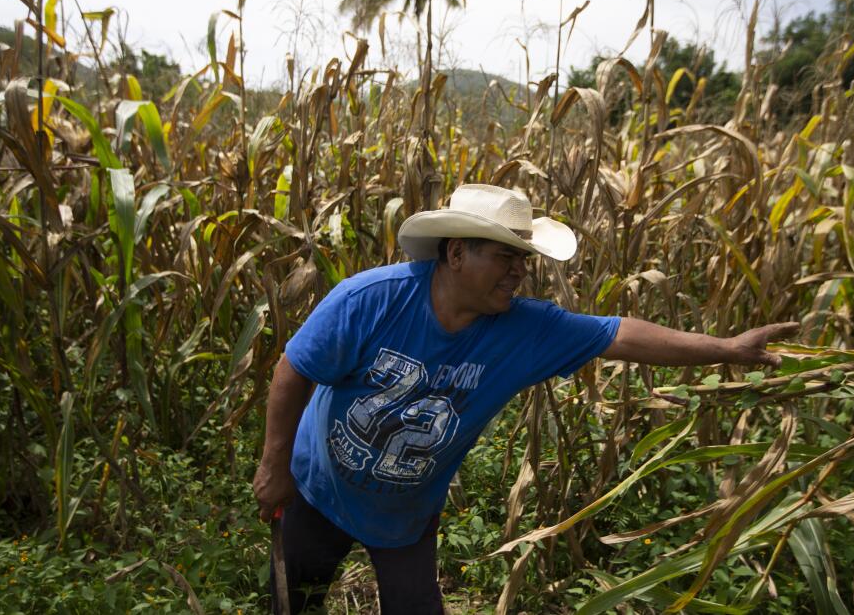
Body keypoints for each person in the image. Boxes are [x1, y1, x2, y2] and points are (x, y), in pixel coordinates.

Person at [252, 184, 797, 614]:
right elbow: (295, 370)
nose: (520, 271)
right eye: (506, 256)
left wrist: (726, 348)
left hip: (404, 516)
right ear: (458, 252)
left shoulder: (523, 329)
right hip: (320, 488)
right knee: (292, 599)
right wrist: (275, 466)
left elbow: (621, 333)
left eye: (524, 259)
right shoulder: (370, 301)